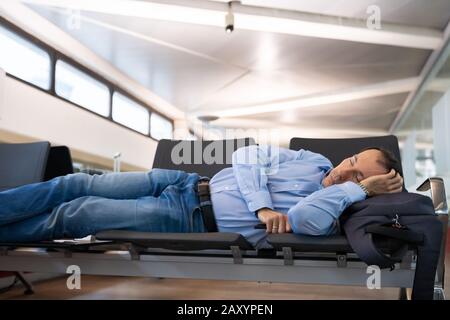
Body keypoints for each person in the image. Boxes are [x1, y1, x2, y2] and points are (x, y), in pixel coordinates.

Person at [0, 144, 403, 248]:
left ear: (366, 189)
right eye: (350, 160)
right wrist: (261, 204)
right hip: (185, 180)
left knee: (75, 213)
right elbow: (247, 154)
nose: (342, 170)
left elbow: (298, 221)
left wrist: (356, 191)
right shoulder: (313, 160)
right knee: (75, 182)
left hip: (190, 217)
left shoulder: (336, 210)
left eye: (357, 175)